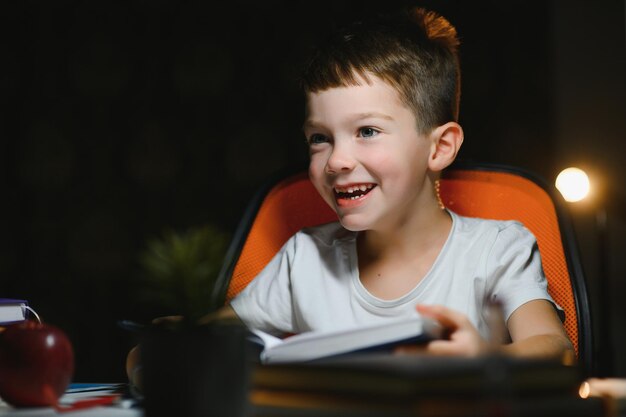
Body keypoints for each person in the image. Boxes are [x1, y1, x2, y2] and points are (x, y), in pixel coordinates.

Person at [127, 6, 573, 385]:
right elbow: (207, 339)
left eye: (367, 131)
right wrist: (163, 349)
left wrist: (487, 360)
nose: (337, 160)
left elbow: (554, 347)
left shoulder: (497, 249)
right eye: (319, 138)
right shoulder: (304, 260)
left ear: (439, 147)